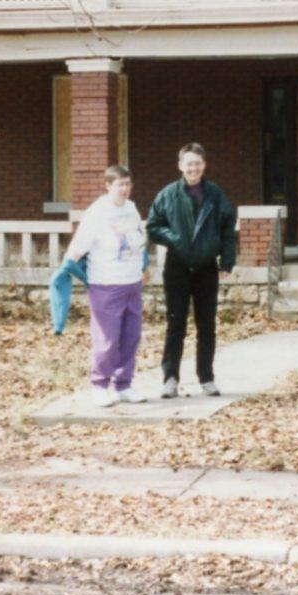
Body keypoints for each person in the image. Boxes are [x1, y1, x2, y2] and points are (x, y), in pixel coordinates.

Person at [146, 142, 237, 399]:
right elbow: (153, 226)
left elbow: (228, 230)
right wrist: (174, 238)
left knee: (206, 325)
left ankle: (206, 378)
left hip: (207, 267)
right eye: (188, 163)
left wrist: (226, 262)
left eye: (197, 163)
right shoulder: (168, 195)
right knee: (176, 324)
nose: (193, 168)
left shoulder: (216, 195)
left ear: (204, 165)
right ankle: (170, 378)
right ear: (180, 166)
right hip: (177, 267)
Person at [65, 165, 148, 407]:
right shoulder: (98, 212)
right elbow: (78, 247)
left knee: (131, 336)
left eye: (128, 184)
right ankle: (99, 385)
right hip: (106, 284)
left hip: (131, 282)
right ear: (108, 186)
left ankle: (123, 385)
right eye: (119, 184)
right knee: (107, 339)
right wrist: (67, 267)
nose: (125, 189)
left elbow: (138, 239)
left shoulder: (131, 208)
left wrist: (143, 266)